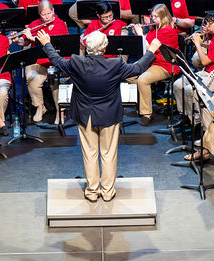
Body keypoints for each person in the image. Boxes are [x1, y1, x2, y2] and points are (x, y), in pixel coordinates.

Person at [38, 27, 161, 202]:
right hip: (109, 115)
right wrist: (151, 51)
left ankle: (92, 191)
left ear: (87, 48)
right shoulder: (115, 65)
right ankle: (108, 191)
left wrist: (47, 44)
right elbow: (138, 68)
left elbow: (56, 60)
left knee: (90, 153)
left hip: (85, 115)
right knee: (108, 153)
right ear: (104, 49)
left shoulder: (76, 62)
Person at [17, 0, 68, 123]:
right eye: (43, 15)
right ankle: (40, 106)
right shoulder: (35, 24)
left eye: (49, 14)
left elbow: (48, 43)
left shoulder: (60, 24)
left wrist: (32, 38)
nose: (46, 17)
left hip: (55, 62)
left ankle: (59, 112)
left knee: (54, 83)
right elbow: (25, 42)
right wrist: (17, 40)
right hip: (39, 61)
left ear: (53, 11)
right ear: (39, 14)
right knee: (31, 78)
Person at [127, 4, 179, 125]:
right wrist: (137, 34)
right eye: (152, 16)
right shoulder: (154, 29)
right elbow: (146, 48)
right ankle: (146, 97)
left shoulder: (168, 31)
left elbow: (149, 49)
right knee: (128, 73)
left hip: (165, 64)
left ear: (164, 17)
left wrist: (141, 34)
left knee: (143, 80)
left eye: (156, 17)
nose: (153, 19)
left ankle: (146, 113)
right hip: (152, 62)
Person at [175, 12, 214, 118]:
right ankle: (184, 115)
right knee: (178, 84)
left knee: (188, 90)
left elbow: (204, 62)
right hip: (207, 73)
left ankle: (196, 120)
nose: (207, 27)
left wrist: (197, 44)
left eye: (210, 24)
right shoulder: (213, 36)